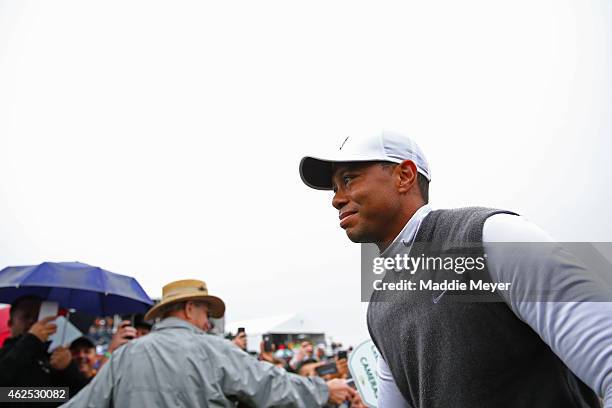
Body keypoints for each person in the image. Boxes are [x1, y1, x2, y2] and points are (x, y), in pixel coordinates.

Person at [300, 131, 612, 407]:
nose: (336, 200)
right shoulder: (379, 305)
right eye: (334, 188)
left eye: (349, 179)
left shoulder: (490, 236)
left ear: (404, 176)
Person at [61, 279, 357, 407]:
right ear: (189, 309)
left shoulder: (125, 355)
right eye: (206, 314)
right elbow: (271, 387)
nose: (209, 324)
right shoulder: (214, 349)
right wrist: (323, 391)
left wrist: (17, 394)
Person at [0, 295, 89, 406]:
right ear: (10, 323)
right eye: (26, 317)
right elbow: (5, 394)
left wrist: (68, 368)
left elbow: (83, 394)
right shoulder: (5, 355)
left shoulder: (49, 356)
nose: (33, 322)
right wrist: (31, 339)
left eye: (38, 317)